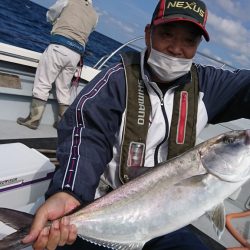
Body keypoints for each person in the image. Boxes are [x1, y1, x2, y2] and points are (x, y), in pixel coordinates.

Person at [22, 0, 250, 249]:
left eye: (189, 41)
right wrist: (69, 191)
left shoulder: (208, 86)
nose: (176, 48)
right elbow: (88, 134)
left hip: (167, 219)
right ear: (148, 34)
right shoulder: (118, 80)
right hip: (104, 208)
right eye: (166, 34)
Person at [17, 0, 98, 129]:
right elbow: (89, 31)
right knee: (64, 88)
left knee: (43, 82)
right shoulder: (94, 14)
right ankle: (62, 123)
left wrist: (54, 21)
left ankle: (33, 120)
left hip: (59, 47)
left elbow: (51, 13)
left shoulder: (68, 0)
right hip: (76, 54)